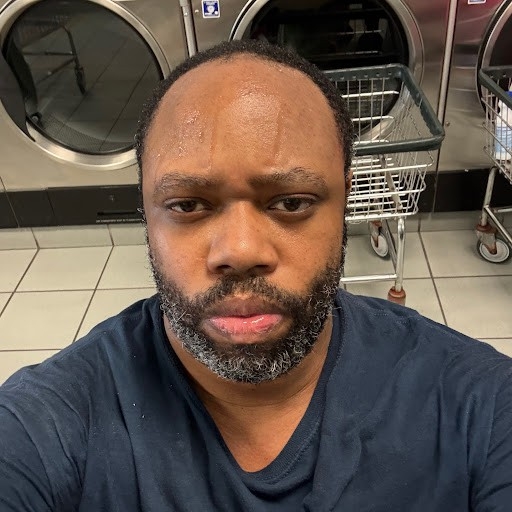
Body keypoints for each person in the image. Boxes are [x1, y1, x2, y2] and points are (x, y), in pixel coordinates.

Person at [0, 40, 511, 511]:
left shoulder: (478, 405)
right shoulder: (46, 424)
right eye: (188, 205)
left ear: (346, 202)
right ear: (145, 214)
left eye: (291, 202)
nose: (241, 252)